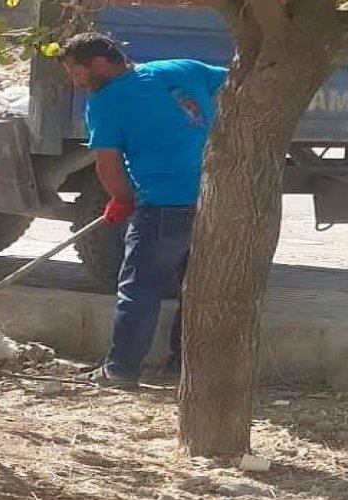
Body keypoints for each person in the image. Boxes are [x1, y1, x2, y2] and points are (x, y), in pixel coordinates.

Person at [60, 32, 227, 386]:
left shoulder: (105, 103)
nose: (75, 83)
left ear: (101, 64)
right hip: (212, 202)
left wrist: (122, 199)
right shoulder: (180, 69)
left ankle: (120, 370)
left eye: (77, 73)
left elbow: (108, 165)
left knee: (139, 290)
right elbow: (229, 80)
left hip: (163, 208)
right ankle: (184, 369)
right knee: (198, 290)